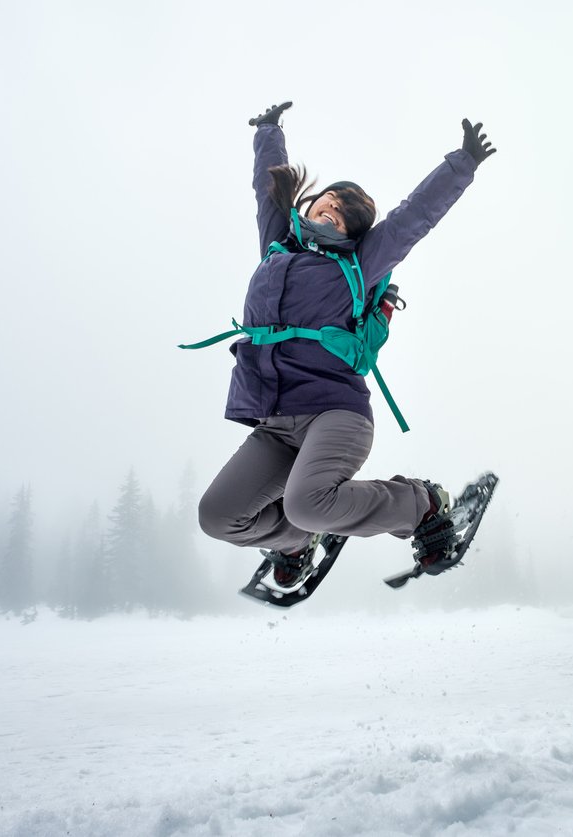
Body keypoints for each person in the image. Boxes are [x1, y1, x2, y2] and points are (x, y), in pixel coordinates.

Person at [197, 101, 496, 588]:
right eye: (330, 202)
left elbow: (411, 218)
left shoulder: (359, 264)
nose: (333, 211)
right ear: (312, 202)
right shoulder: (278, 246)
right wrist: (269, 131)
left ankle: (421, 504)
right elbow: (267, 190)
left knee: (307, 501)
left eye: (345, 215)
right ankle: (295, 541)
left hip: (336, 414)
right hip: (276, 422)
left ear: (354, 234)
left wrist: (461, 164)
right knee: (218, 516)